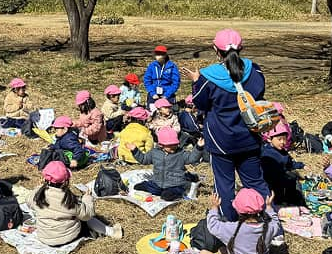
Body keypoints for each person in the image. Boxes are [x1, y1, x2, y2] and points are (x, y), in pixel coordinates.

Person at [185, 28, 269, 221]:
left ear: (215, 49)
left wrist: (196, 81)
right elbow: (259, 95)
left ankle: (229, 224)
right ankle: (266, 220)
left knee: (224, 185)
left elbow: (200, 103)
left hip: (221, 140)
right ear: (242, 48)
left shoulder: (207, 76)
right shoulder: (255, 70)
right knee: (255, 181)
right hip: (250, 137)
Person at [26, 161, 123, 247]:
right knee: (85, 218)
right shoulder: (69, 200)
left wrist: (38, 188)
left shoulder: (38, 196)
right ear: (65, 182)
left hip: (44, 237)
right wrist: (87, 198)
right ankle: (112, 232)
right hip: (67, 237)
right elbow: (87, 215)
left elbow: (28, 201)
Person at [198, 190, 278, 254]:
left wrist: (214, 208)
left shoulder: (233, 228)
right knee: (222, 250)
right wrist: (269, 207)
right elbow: (275, 221)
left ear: (238, 210)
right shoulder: (269, 226)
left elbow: (213, 225)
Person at [128, 127, 206, 200]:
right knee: (138, 187)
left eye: (175, 144)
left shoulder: (180, 153)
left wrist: (199, 147)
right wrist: (135, 151)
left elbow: (192, 158)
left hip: (175, 184)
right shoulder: (154, 153)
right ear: (161, 145)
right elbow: (144, 160)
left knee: (167, 196)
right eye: (170, 145)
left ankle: (180, 191)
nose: (173, 147)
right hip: (157, 183)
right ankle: (152, 187)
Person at [261, 121, 305, 206]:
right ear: (270, 139)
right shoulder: (267, 153)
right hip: (271, 182)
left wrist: (302, 165)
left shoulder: (283, 151)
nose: (282, 142)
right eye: (279, 139)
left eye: (284, 139)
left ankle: (289, 202)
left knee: (292, 179)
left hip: (281, 180)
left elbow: (289, 163)